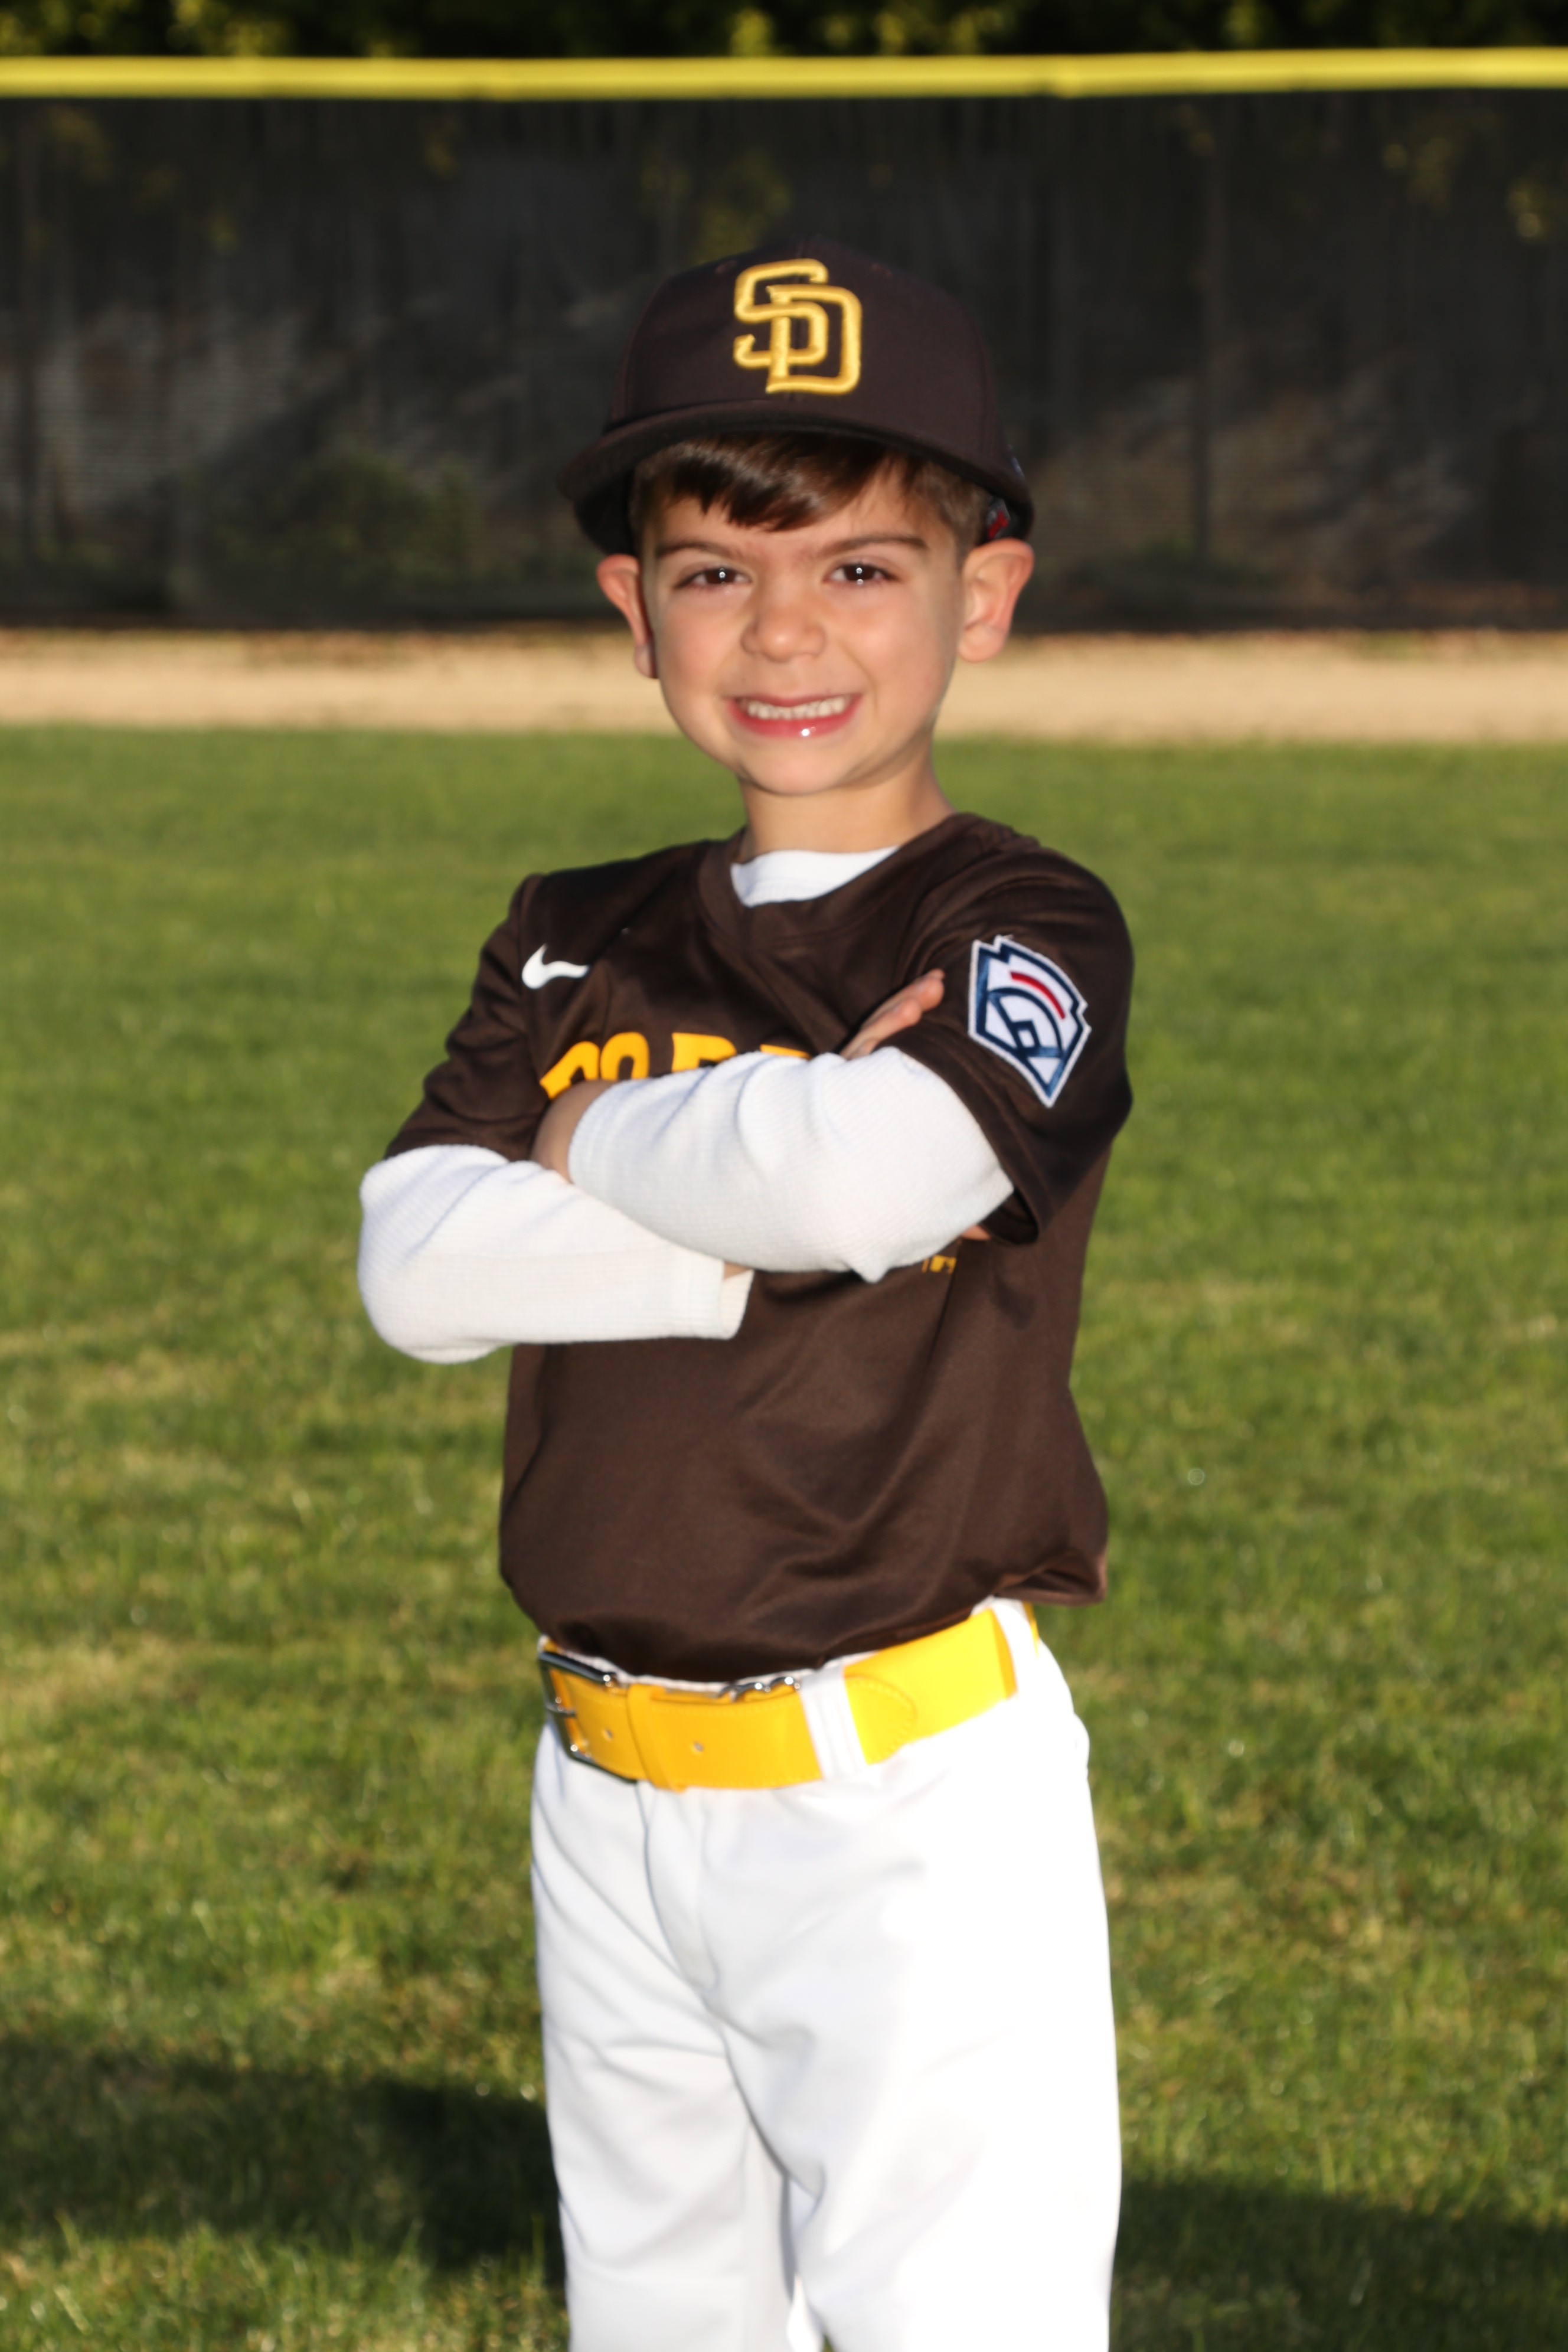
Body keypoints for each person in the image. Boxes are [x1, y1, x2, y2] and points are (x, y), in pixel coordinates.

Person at [358, 237, 1133, 2352]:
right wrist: (767, 1189)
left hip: (899, 1794)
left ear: (985, 595)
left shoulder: (1022, 917)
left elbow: (881, 1177)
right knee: (661, 2322)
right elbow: (415, 1265)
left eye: (864, 569)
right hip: (603, 1784)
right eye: (715, 572)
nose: (785, 632)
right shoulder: (577, 929)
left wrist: (580, 1143)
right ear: (636, 611)